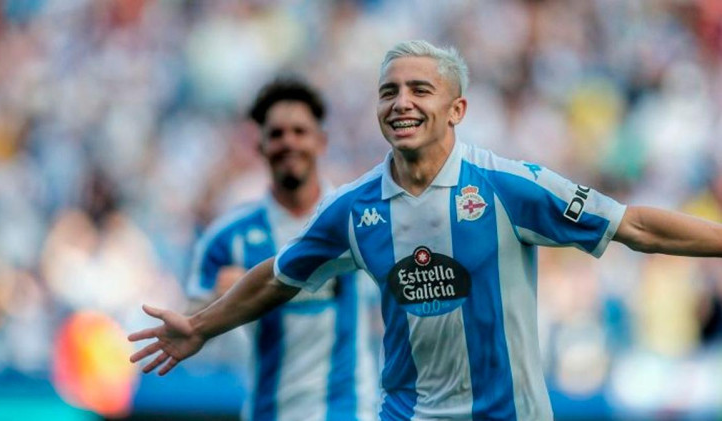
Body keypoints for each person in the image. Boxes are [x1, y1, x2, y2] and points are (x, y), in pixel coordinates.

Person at [128, 41, 722, 421]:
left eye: (420, 90)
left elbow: (634, 226)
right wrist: (201, 327)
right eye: (388, 92)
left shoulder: (510, 187)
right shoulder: (353, 209)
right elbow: (279, 277)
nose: (401, 102)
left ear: (456, 110)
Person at [184, 77, 378, 421]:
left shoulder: (361, 218)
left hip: (348, 410)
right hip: (269, 411)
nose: (288, 142)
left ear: (321, 141)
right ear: (260, 146)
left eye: (299, 131)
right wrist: (215, 300)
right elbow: (192, 326)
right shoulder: (228, 238)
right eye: (276, 134)